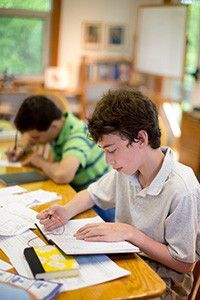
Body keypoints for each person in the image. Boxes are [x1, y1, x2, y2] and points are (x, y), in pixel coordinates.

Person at [37, 88, 200, 299]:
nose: (108, 160)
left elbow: (184, 264)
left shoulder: (182, 188)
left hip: (163, 283)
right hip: (126, 258)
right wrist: (65, 212)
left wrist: (130, 234)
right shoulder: (128, 170)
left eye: (111, 150)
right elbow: (93, 194)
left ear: (140, 139)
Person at [6, 95, 114, 222]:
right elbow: (28, 137)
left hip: (100, 202)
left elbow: (63, 175)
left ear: (54, 126)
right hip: (76, 192)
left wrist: (40, 161)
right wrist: (20, 149)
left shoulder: (78, 136)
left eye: (36, 137)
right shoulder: (60, 118)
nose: (34, 141)